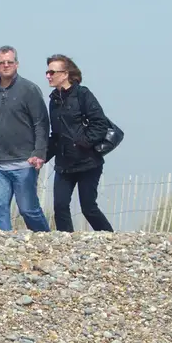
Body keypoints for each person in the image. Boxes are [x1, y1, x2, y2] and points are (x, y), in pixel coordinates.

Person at [0, 45, 50, 231]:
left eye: (10, 62)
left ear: (17, 64)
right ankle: (1, 247)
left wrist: (39, 153)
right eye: (2, 62)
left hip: (25, 163)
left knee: (28, 210)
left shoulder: (29, 89)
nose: (6, 65)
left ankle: (46, 240)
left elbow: (42, 123)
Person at [44, 55, 115, 232]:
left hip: (88, 162)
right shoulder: (54, 100)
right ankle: (66, 244)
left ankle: (110, 238)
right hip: (63, 165)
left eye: (52, 72)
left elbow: (100, 124)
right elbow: (56, 135)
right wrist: (40, 157)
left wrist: (82, 143)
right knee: (60, 207)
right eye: (47, 72)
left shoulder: (83, 94)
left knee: (88, 208)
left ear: (65, 74)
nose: (48, 76)